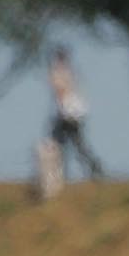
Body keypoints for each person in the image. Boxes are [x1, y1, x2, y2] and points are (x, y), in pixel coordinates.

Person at [46, 48, 101, 179]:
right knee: (74, 144)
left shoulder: (59, 73)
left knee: (62, 144)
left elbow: (60, 92)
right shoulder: (71, 72)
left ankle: (92, 168)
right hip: (75, 112)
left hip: (67, 113)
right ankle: (94, 168)